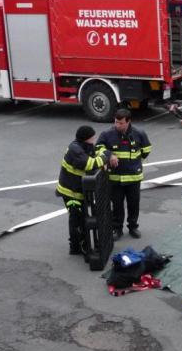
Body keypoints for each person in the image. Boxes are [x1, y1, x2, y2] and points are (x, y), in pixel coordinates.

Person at [56, 126, 115, 255]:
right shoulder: (75, 150)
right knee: (76, 220)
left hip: (78, 190)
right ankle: (75, 247)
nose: (94, 139)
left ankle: (82, 243)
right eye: (92, 137)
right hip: (70, 192)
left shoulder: (85, 146)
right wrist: (106, 158)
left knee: (82, 219)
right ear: (86, 138)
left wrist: (108, 154)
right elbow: (90, 164)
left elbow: (98, 151)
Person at [96, 109, 151, 240]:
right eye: (116, 122)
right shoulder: (107, 134)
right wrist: (109, 155)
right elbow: (98, 148)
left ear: (128, 122)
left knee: (134, 204)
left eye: (121, 123)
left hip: (133, 178)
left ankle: (133, 227)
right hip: (115, 178)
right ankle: (117, 228)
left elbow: (146, 150)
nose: (117, 125)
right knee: (117, 205)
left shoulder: (139, 133)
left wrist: (135, 163)